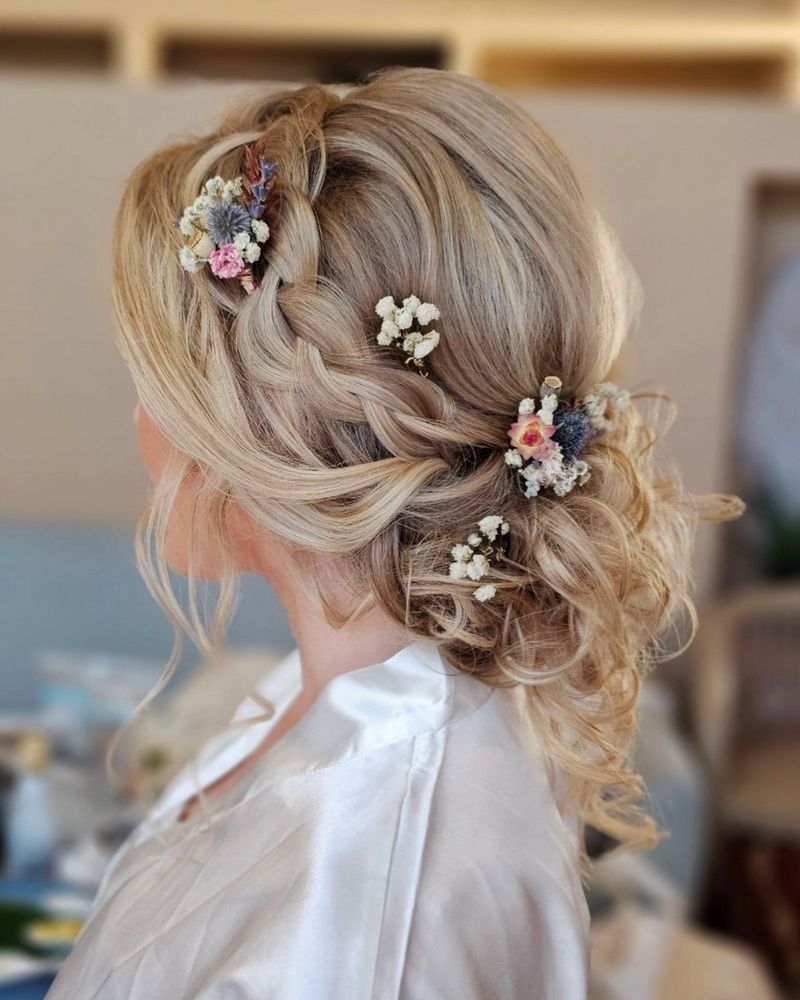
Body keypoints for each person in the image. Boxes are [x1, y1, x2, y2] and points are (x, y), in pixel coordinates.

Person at [46, 67, 737, 999]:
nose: (141, 426)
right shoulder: (342, 698)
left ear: (266, 435)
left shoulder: (362, 920)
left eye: (158, 385)